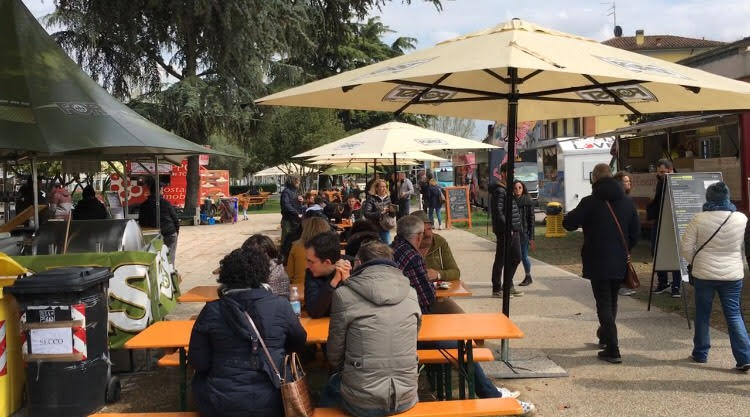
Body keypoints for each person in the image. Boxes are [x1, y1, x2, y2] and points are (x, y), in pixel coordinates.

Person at [189, 247, 307, 417]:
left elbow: (198, 362)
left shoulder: (211, 311)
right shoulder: (280, 305)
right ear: (263, 274)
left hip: (221, 404)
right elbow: (299, 341)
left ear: (226, 276)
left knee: (199, 379)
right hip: (275, 399)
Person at [320, 240, 422, 416]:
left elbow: (334, 355)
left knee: (328, 389)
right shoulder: (411, 293)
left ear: (358, 263)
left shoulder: (344, 295)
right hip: (405, 396)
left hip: (362, 401)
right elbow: (414, 337)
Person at [563, 163, 639, 364]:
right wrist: (624, 249)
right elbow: (635, 233)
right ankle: (605, 336)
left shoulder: (590, 202)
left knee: (603, 303)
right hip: (620, 259)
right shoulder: (627, 202)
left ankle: (613, 348)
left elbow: (568, 224)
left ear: (594, 178)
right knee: (612, 301)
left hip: (597, 259)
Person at [680, 182, 750, 372]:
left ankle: (700, 353)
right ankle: (744, 357)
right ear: (727, 197)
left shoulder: (699, 219)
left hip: (704, 274)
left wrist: (696, 261)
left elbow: (686, 247)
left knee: (703, 314)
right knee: (734, 315)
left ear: (708, 198)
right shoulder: (740, 218)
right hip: (733, 274)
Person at [646, 159, 681, 298]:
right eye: (659, 172)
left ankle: (676, 285)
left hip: (672, 222)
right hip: (659, 220)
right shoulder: (661, 181)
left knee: (675, 253)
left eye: (663, 172)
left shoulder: (676, 181)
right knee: (657, 251)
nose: (660, 174)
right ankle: (663, 282)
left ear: (670, 170)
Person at [490, 163, 523, 298]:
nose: (513, 175)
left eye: (514, 172)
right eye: (510, 172)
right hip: (505, 230)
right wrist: (507, 227)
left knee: (516, 257)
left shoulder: (508, 188)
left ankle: (508, 285)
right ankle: (497, 289)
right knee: (501, 259)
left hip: (514, 229)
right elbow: (498, 212)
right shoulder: (499, 190)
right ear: (503, 173)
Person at [303, 231, 352, 318]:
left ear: (327, 262)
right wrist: (333, 283)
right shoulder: (311, 273)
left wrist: (347, 281)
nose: (307, 266)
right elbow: (313, 311)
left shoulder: (353, 267)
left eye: (311, 261)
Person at [138, 177, 180, 265]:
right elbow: (175, 219)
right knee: (170, 257)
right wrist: (176, 231)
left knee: (154, 257)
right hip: (169, 233)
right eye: (162, 189)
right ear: (160, 190)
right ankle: (170, 270)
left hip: (152, 235)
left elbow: (141, 222)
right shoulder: (166, 203)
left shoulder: (144, 205)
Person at [285, 217, 331, 294]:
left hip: (299, 290)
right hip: (324, 290)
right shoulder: (330, 247)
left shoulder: (296, 246)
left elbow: (289, 274)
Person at [412, 210, 460, 282]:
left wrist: (438, 274)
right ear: (412, 235)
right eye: (422, 231)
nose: (428, 234)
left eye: (429, 229)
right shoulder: (405, 247)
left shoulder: (439, 242)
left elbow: (456, 272)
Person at [614, 171, 636, 296]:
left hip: (625, 238)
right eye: (626, 182)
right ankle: (620, 285)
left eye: (629, 181)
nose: (629, 184)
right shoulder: (624, 200)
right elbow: (634, 225)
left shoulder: (627, 199)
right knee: (622, 262)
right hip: (622, 238)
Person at [513, 180, 535, 287]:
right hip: (513, 232)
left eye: (520, 187)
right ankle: (509, 279)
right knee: (513, 256)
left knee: (523, 255)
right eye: (515, 188)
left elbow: (531, 220)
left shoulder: (527, 201)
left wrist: (531, 237)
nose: (517, 190)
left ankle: (528, 276)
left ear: (523, 188)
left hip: (524, 232)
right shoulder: (511, 200)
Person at [363, 179, 395, 243]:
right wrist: (380, 213)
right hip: (374, 227)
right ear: (376, 188)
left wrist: (392, 211)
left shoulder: (388, 198)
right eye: (382, 187)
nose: (384, 188)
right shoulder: (371, 198)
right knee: (375, 245)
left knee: (386, 245)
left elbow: (391, 215)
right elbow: (367, 214)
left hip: (385, 226)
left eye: (385, 186)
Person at [280, 176, 304, 246]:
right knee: (286, 240)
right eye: (297, 181)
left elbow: (294, 203)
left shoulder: (295, 191)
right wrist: (296, 213)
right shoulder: (286, 192)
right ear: (293, 182)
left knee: (295, 240)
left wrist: (301, 201)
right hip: (288, 220)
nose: (299, 183)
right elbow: (286, 205)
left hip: (295, 220)